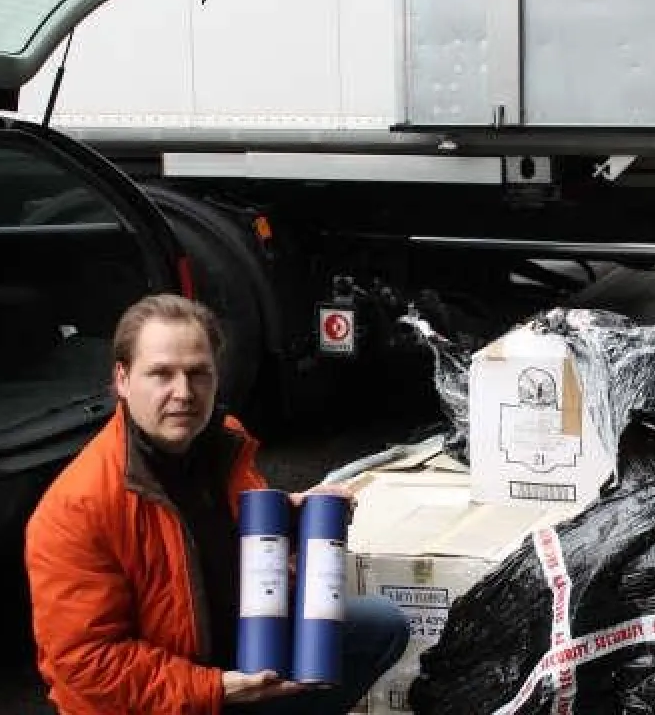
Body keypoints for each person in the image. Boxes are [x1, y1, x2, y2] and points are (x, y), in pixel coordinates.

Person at [24, 294, 409, 715]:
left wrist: (296, 522)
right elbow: (88, 663)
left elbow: (234, 548)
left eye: (198, 373)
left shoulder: (224, 442)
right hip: (156, 700)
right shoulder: (76, 508)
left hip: (236, 659)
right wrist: (215, 688)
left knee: (378, 626)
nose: (184, 392)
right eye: (161, 374)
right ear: (122, 378)